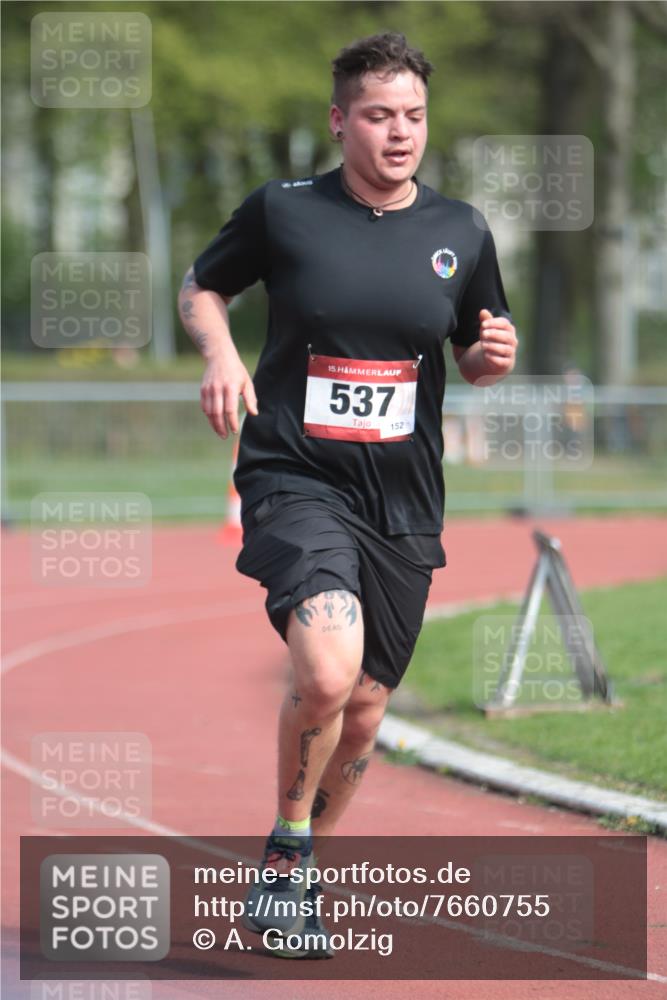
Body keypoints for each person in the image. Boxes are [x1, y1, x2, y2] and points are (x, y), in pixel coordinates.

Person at [178, 31, 518, 959]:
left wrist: (490, 361)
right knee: (325, 672)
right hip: (295, 475)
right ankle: (287, 853)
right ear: (340, 122)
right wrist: (219, 353)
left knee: (364, 707)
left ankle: (296, 881)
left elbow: (478, 350)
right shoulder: (284, 212)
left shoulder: (461, 232)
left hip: (402, 500)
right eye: (378, 115)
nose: (398, 132)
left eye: (412, 116)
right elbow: (200, 286)